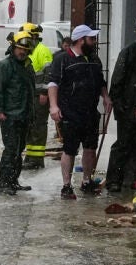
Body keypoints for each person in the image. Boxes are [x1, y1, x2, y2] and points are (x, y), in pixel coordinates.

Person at [48, 23, 112, 199]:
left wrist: (105, 97)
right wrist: (54, 106)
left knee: (90, 148)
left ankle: (86, 181)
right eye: (91, 39)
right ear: (81, 40)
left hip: (90, 112)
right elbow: (53, 84)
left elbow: (101, 81)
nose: (94, 42)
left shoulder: (94, 59)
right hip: (70, 112)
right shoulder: (62, 59)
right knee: (70, 149)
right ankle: (66, 186)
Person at [105, 15, 136, 194]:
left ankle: (131, 179)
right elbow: (118, 80)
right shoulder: (131, 51)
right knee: (123, 144)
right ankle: (114, 180)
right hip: (127, 107)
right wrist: (120, 105)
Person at [0, 31, 36, 195]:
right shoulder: (5, 66)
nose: (22, 52)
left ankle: (13, 180)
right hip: (10, 115)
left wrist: (32, 114)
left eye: (25, 49)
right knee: (10, 149)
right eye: (19, 49)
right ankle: (3, 183)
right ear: (13, 47)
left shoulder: (27, 65)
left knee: (19, 149)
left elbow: (30, 91)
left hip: (24, 115)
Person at [21, 23, 53, 171]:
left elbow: (49, 74)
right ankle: (30, 157)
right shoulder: (30, 51)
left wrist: (44, 93)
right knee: (30, 126)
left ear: (33, 36)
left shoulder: (42, 51)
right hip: (29, 96)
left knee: (38, 127)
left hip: (39, 96)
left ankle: (37, 160)